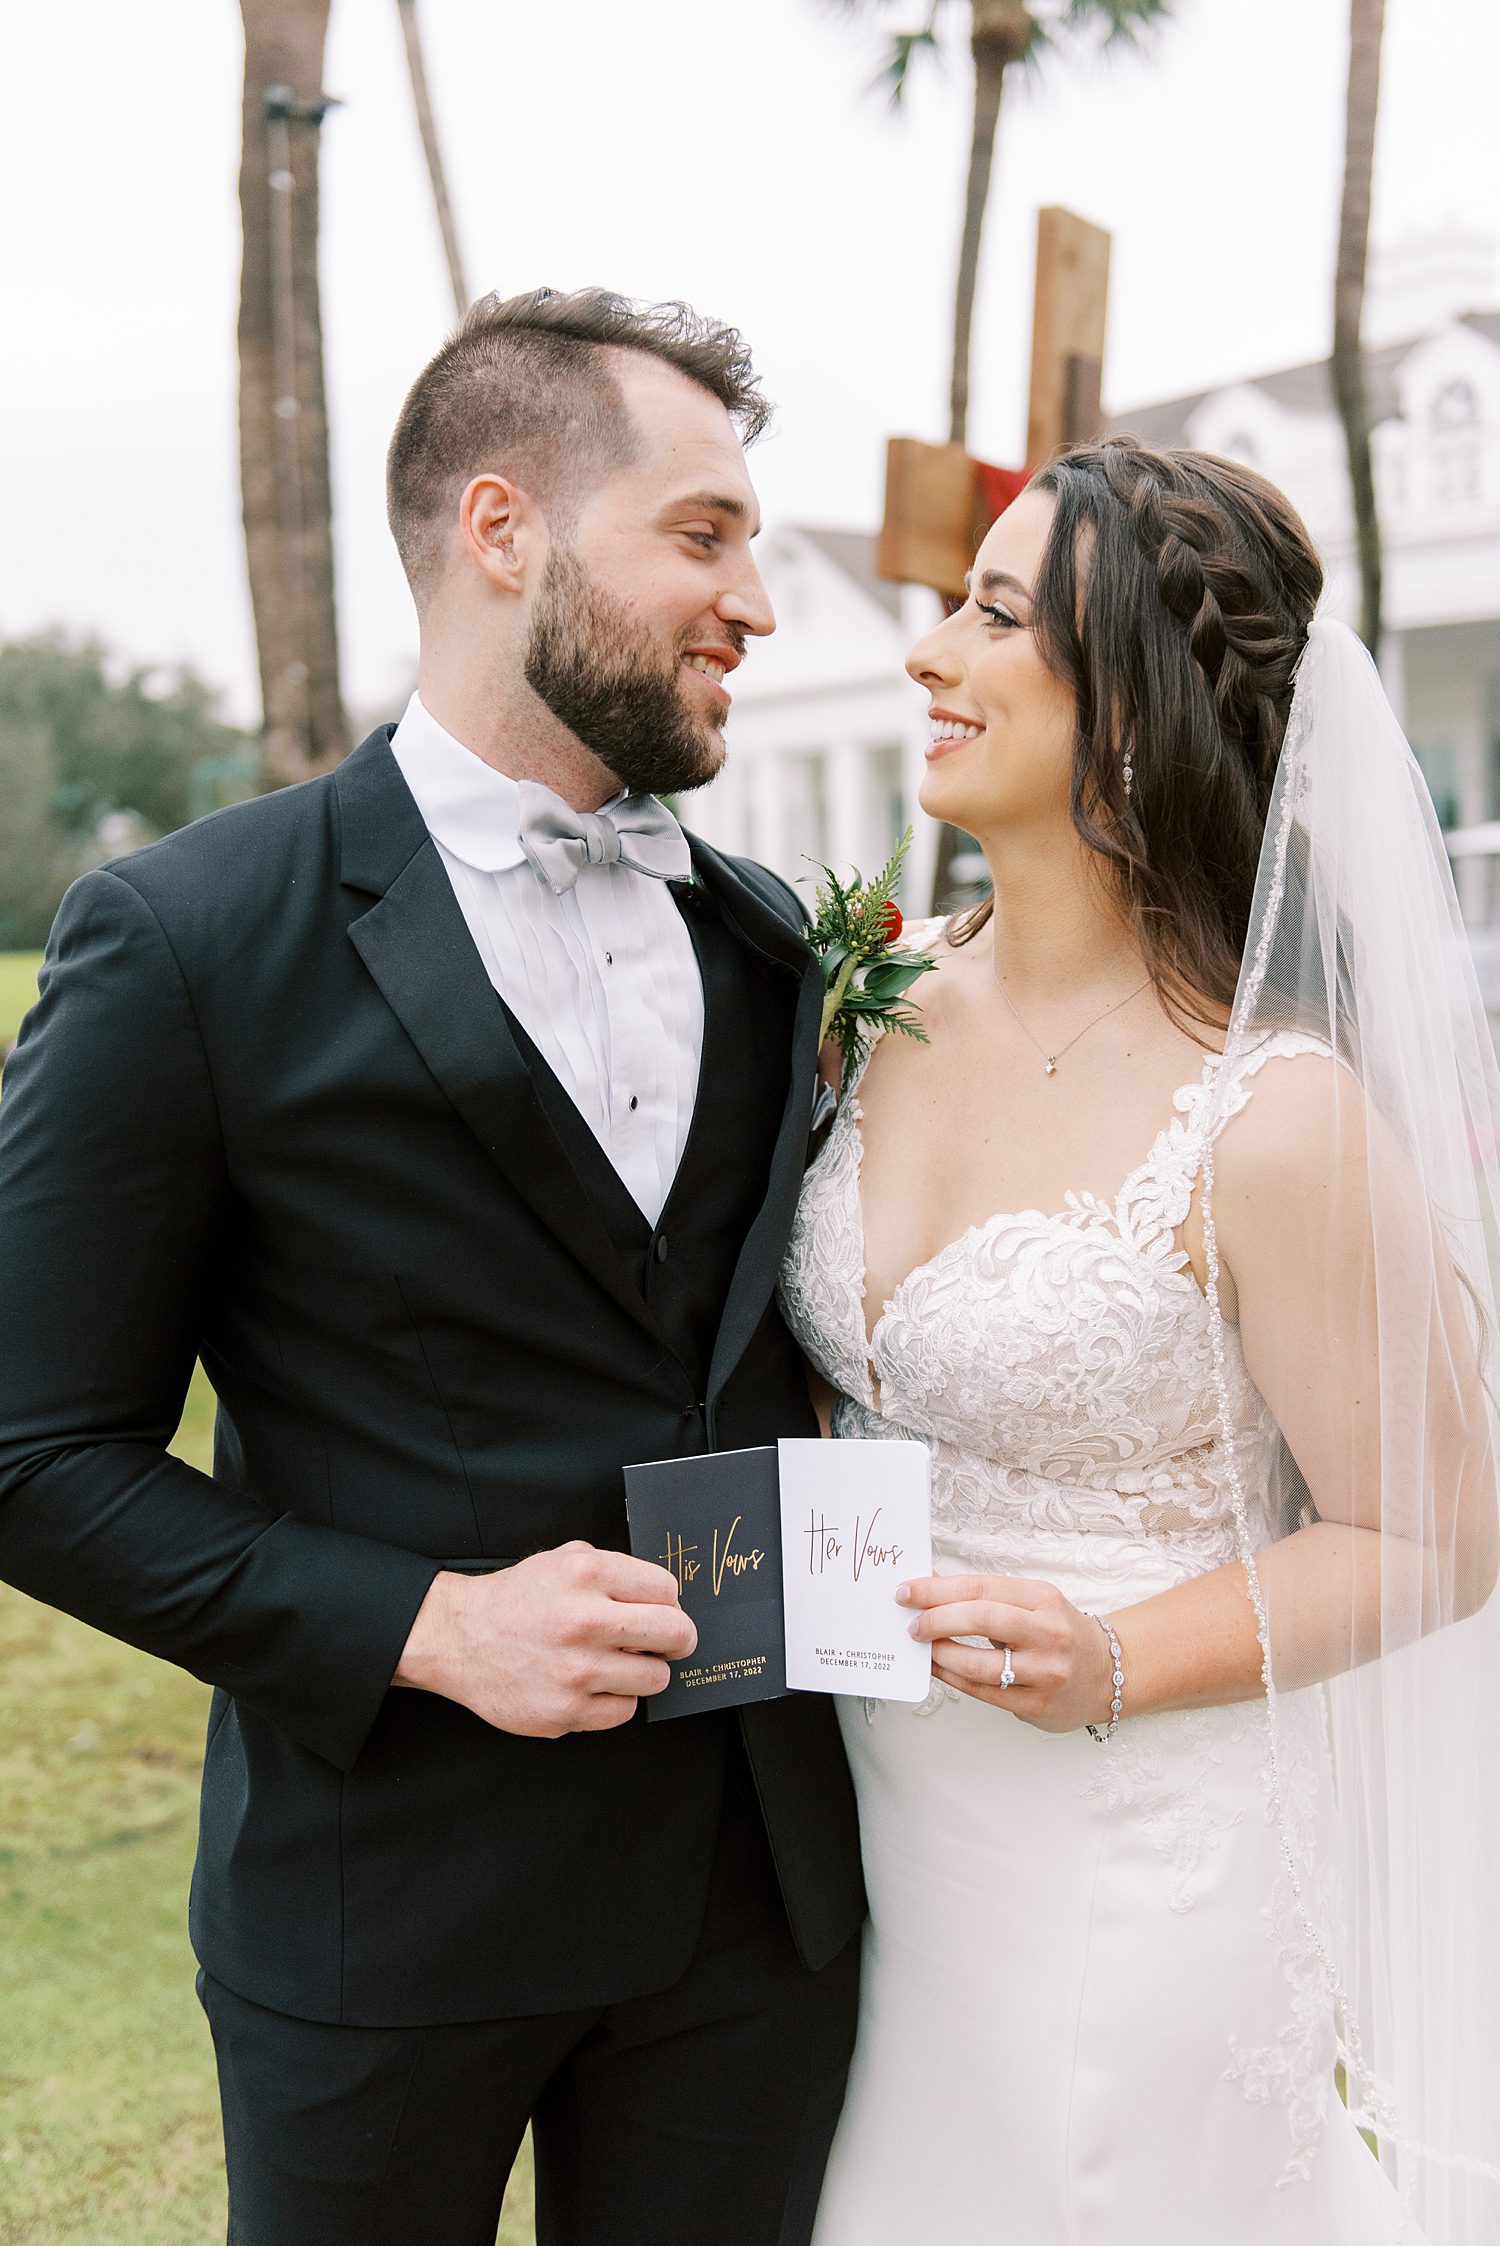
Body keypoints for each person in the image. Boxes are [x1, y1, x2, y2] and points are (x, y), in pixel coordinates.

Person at [0, 288, 864, 2246]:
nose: (756, 597)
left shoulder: (768, 936)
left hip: (760, 1903)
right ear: (505, 532)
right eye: (705, 534)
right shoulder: (192, 938)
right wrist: (426, 1623)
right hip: (385, 1908)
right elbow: (28, 1448)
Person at [780, 436, 1500, 2242]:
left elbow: (1437, 1533)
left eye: (998, 616)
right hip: (869, 1841)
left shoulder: (1275, 1120)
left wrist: (1110, 1654)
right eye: (955, 604)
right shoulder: (867, 1003)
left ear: (1133, 713)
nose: (930, 654)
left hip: (1134, 1854)